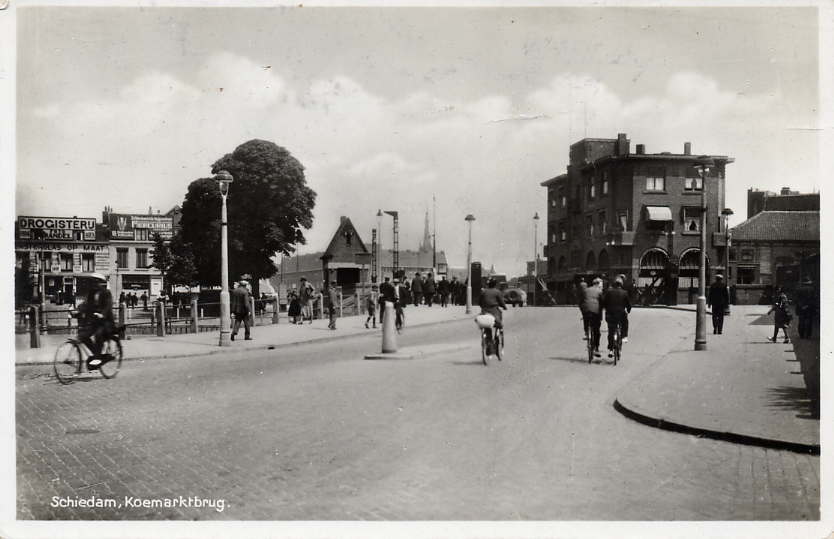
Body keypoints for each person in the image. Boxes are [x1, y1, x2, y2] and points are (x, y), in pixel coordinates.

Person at [75, 273, 116, 367]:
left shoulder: (106, 293)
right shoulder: (91, 293)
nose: (93, 284)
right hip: (94, 321)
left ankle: (98, 357)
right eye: (92, 281)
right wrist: (78, 310)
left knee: (98, 334)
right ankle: (96, 354)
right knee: (83, 336)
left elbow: (108, 306)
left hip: (105, 322)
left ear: (100, 283)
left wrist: (102, 314)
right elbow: (87, 305)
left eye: (95, 281)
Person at [601, 278, 631, 357]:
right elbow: (628, 305)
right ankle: (624, 336)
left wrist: (607, 308)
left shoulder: (609, 292)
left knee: (611, 332)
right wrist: (628, 310)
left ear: (615, 284)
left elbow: (604, 303)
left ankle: (610, 350)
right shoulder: (625, 293)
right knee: (625, 323)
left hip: (610, 315)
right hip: (620, 314)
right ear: (621, 284)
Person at [479, 278, 507, 356]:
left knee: (487, 327)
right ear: (495, 284)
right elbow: (501, 302)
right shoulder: (497, 292)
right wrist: (504, 306)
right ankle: (498, 335)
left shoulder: (483, 291)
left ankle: (488, 341)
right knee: (499, 324)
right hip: (494, 313)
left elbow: (479, 302)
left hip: (484, 313)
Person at [581, 278, 603, 357]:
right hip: (595, 312)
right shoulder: (600, 291)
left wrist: (583, 312)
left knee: (586, 318)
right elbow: (602, 303)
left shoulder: (586, 290)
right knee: (597, 331)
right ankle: (596, 348)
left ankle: (586, 332)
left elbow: (581, 302)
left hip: (586, 311)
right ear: (597, 284)